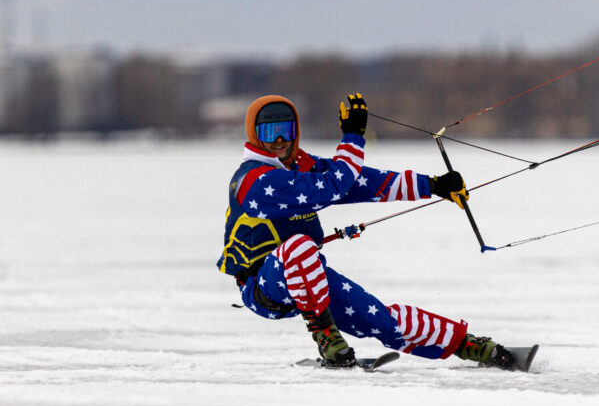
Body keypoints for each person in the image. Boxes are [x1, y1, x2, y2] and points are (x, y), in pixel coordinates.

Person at [218, 93, 534, 370]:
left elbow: (358, 182)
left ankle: (471, 346)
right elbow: (335, 184)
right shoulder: (253, 181)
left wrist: (434, 185)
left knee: (380, 319)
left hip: (309, 278)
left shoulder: (298, 164)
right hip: (264, 288)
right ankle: (327, 337)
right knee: (300, 246)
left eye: (285, 131)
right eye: (269, 132)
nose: (279, 141)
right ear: (254, 136)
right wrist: (353, 137)